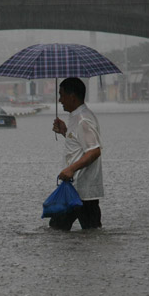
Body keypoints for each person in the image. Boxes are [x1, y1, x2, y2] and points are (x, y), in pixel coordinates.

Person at [50, 77, 103, 231]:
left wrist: (71, 169)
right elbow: (79, 144)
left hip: (83, 190)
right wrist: (64, 132)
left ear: (72, 96)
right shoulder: (76, 116)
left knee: (60, 229)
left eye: (62, 95)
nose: (60, 100)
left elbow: (94, 151)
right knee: (61, 229)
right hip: (74, 188)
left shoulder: (83, 119)